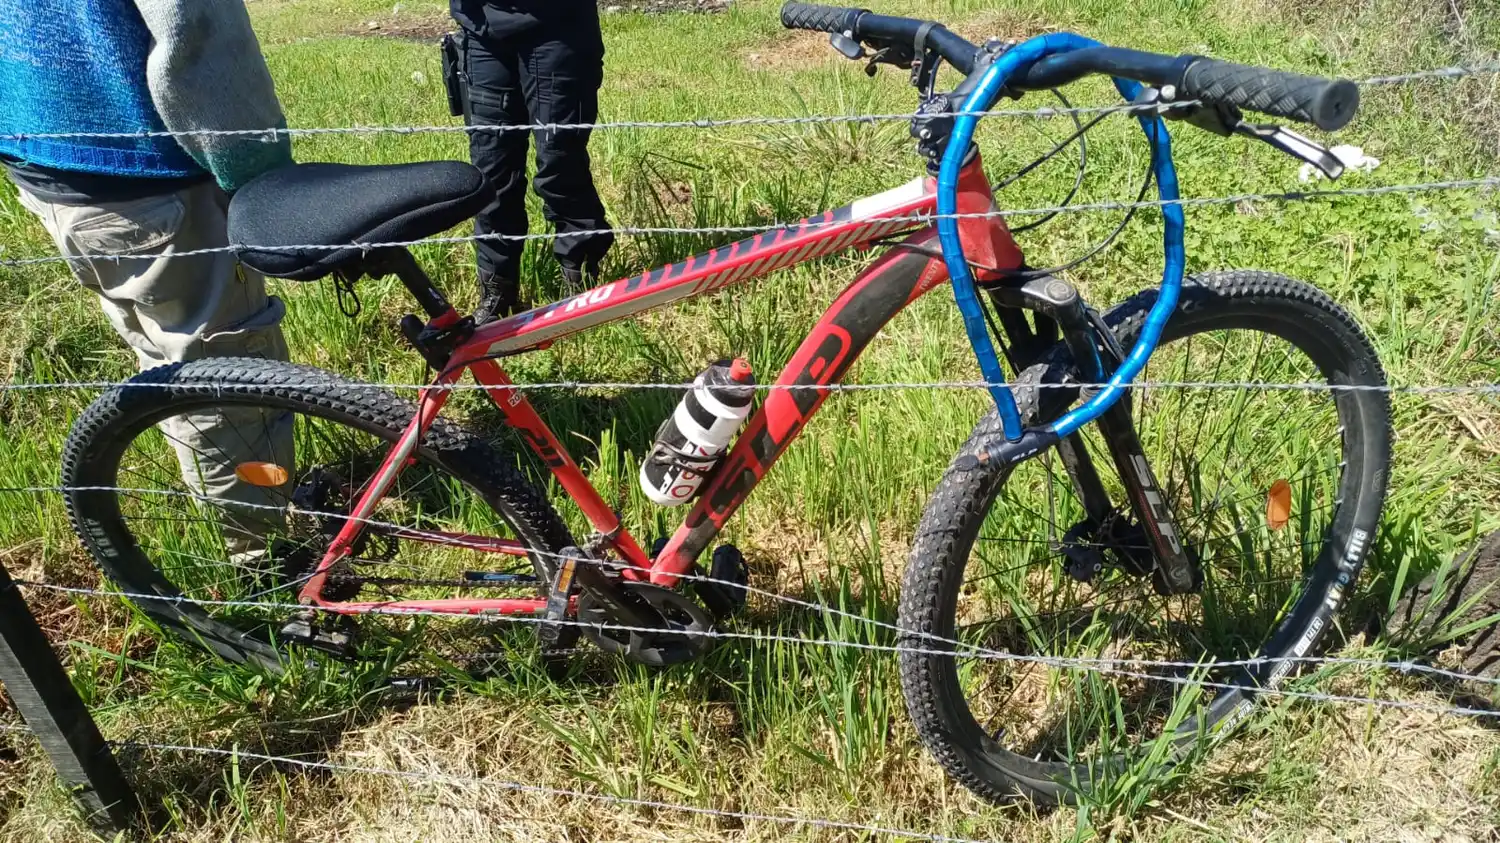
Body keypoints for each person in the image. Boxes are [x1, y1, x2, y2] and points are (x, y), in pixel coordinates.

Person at [0, 0, 296, 562]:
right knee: (225, 380)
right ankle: (264, 561)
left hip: (43, 160)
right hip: (149, 171)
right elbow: (195, 31)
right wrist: (257, 176)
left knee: (167, 356)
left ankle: (240, 520)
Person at [448, 0, 616, 323]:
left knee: (559, 163)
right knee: (490, 171)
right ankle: (497, 292)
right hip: (481, 24)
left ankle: (581, 285)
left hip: (558, 24)